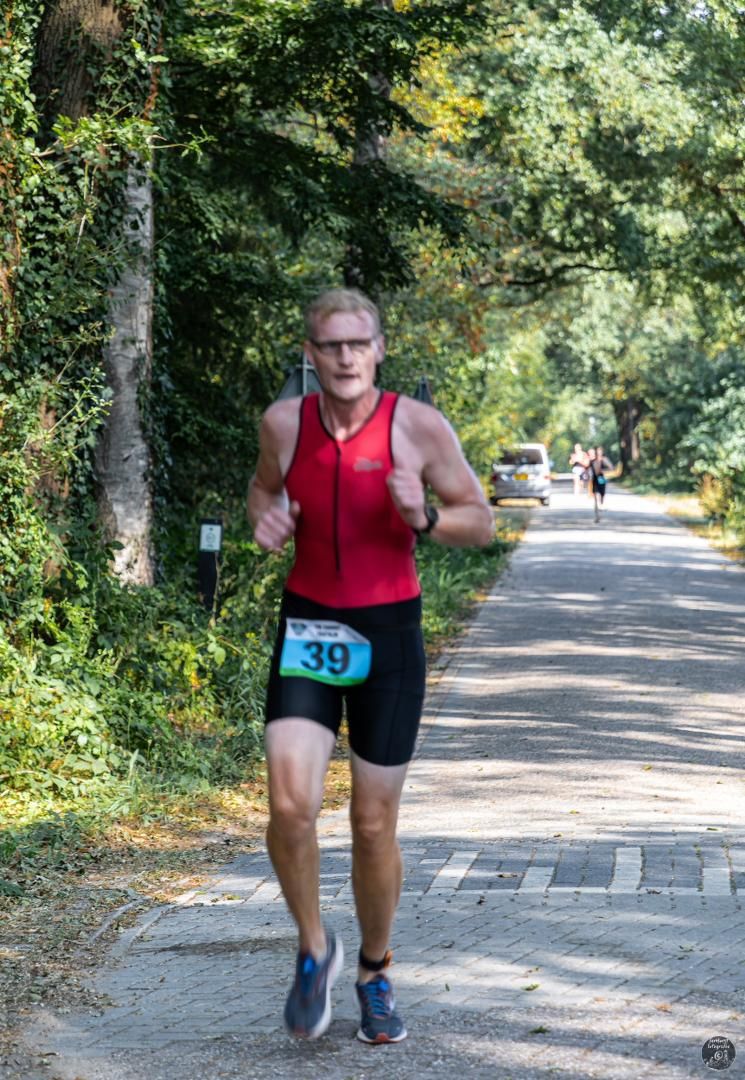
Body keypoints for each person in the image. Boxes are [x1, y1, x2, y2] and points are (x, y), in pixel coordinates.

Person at [247, 287, 493, 1044]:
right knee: (289, 805)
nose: (346, 357)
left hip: (388, 634)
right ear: (310, 354)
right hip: (309, 626)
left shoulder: (417, 427)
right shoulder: (283, 423)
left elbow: (478, 521)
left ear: (379, 349)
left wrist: (420, 514)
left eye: (358, 343)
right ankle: (314, 949)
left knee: (370, 821)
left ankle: (376, 971)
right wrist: (265, 514)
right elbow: (261, 488)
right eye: (330, 345)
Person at [588, 445, 613, 522]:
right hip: (594, 480)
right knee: (596, 496)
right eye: (597, 451)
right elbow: (589, 470)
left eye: (600, 451)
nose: (598, 452)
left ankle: (600, 507)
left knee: (601, 495)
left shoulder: (604, 460)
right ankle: (597, 516)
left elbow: (611, 468)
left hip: (601, 479)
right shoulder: (592, 461)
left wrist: (603, 471)